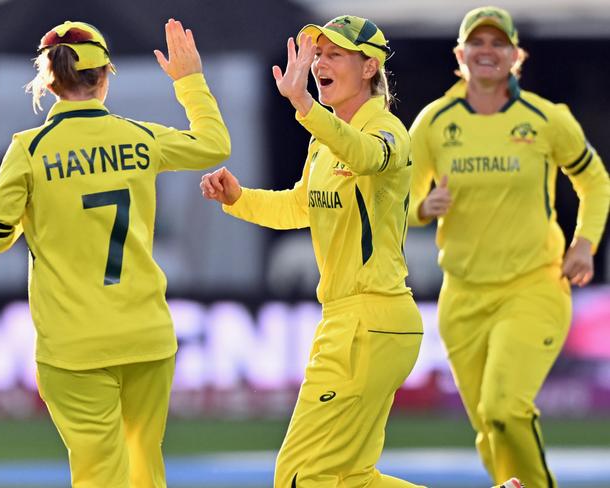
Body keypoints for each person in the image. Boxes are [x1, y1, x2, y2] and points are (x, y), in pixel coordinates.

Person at [200, 14, 521, 488]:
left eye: (335, 55)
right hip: (350, 323)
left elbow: (367, 157)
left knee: (299, 477)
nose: (319, 64)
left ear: (370, 67)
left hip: (370, 320)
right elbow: (299, 206)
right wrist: (238, 198)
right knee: (350, 477)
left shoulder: (389, 131)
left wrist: (305, 105)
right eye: (318, 54)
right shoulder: (324, 142)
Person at [0, 19, 230, 487]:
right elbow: (216, 145)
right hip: (146, 338)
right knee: (143, 473)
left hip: (73, 348)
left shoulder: (28, 150)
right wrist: (190, 81)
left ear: (48, 80)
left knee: (99, 477)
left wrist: (32, 222)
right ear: (104, 75)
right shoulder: (142, 138)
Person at [408, 6, 610, 488]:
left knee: (505, 407)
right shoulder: (434, 123)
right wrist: (421, 208)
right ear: (459, 55)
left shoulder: (545, 118)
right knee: (488, 427)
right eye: (476, 43)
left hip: (533, 286)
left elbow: (595, 181)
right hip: (462, 296)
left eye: (498, 43)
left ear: (516, 55)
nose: (487, 51)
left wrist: (585, 243)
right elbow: (396, 198)